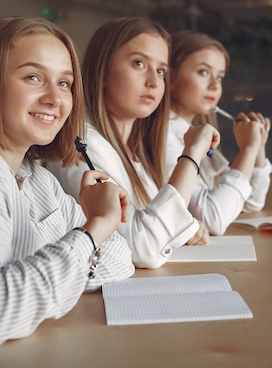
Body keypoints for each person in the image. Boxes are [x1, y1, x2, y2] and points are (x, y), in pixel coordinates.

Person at [0, 16, 135, 345]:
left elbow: (120, 260)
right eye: (33, 77)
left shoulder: (34, 176)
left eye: (64, 83)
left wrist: (58, 274)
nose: (54, 99)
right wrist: (97, 226)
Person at [47, 17, 219, 269]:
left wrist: (183, 228)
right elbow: (143, 249)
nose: (153, 81)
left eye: (160, 70)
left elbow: (152, 223)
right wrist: (191, 154)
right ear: (102, 72)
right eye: (139, 63)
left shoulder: (135, 148)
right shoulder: (83, 146)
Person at [166, 30, 272, 236]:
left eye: (220, 77)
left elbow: (251, 203)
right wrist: (248, 149)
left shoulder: (195, 133)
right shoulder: (166, 138)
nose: (215, 86)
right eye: (203, 72)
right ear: (171, 77)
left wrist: (257, 147)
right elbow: (213, 218)